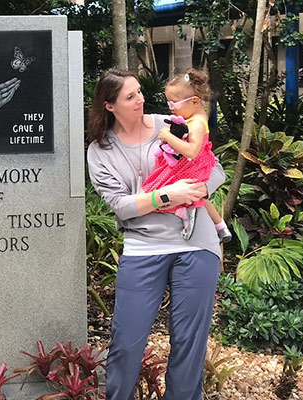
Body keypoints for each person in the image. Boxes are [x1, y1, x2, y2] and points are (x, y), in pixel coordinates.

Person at [86, 68, 225, 400]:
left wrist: (198, 188)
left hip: (196, 243)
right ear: (109, 105)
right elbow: (121, 205)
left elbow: (214, 167)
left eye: (140, 92)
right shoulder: (100, 151)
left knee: (190, 343)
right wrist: (167, 196)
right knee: (126, 341)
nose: (141, 99)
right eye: (130, 96)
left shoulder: (171, 124)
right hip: (143, 247)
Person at [142, 68, 231, 242]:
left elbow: (191, 151)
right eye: (168, 103)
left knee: (156, 192)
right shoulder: (192, 117)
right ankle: (221, 226)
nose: (170, 108)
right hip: (194, 165)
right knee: (199, 198)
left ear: (195, 101)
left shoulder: (197, 122)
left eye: (174, 103)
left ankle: (183, 212)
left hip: (192, 167)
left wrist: (168, 136)